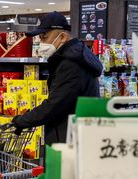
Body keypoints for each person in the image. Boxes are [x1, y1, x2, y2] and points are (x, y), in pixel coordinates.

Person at [12, 11, 103, 145]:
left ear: (63, 37)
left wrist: (22, 120)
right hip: (77, 134)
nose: (41, 43)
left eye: (44, 37)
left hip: (70, 140)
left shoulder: (71, 64)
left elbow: (55, 104)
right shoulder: (75, 56)